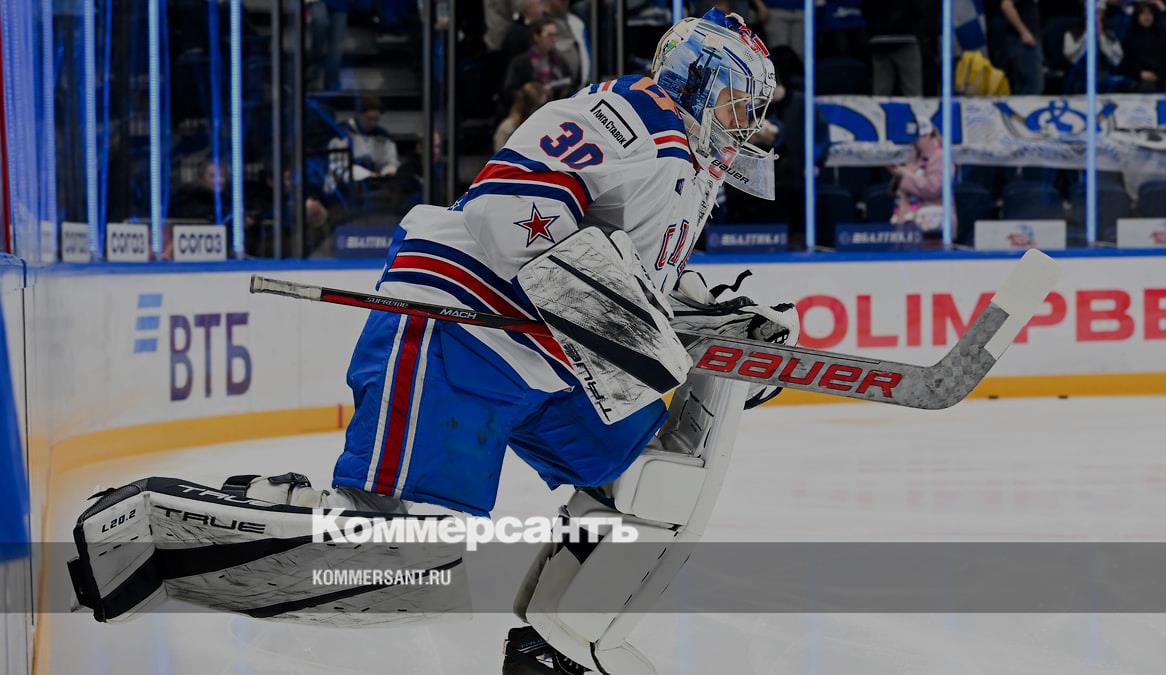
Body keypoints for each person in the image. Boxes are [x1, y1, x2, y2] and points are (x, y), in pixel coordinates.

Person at [70, 10, 794, 675]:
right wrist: (636, 327)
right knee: (397, 554)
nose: (747, 125)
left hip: (549, 363)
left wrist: (706, 317)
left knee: (651, 479)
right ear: (696, 81)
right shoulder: (630, 118)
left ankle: (558, 650)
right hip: (465, 327)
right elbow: (509, 206)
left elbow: (628, 273)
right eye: (739, 102)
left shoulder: (685, 167)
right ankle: (155, 535)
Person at [889, 121, 956, 239]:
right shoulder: (914, 157)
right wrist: (897, 174)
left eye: (917, 138)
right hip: (907, 223)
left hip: (934, 225)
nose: (913, 142)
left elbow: (933, 189)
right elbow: (898, 190)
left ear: (927, 136)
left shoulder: (941, 158)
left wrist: (905, 173)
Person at [326, 95, 402, 185]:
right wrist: (368, 175)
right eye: (369, 119)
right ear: (357, 115)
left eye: (376, 119)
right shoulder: (340, 133)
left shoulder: (384, 137)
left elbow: (391, 163)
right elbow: (338, 166)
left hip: (377, 184)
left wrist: (388, 171)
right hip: (345, 185)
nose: (373, 123)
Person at [503, 18, 574, 102]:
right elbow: (509, 92)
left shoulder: (558, 60)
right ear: (536, 36)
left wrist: (562, 91)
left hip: (553, 106)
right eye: (549, 35)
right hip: (530, 108)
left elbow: (571, 83)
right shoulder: (521, 62)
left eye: (555, 35)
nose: (554, 39)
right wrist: (534, 94)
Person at [862, 0, 923, 96]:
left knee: (881, 90)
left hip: (879, 38)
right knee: (913, 90)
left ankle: (879, 106)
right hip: (905, 37)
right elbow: (918, 11)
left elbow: (865, 11)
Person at [1121, 1, 1166, 92]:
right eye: (1143, 14)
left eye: (1150, 14)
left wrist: (1157, 74)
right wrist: (1140, 73)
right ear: (1137, 16)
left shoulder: (1160, 35)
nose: (1147, 17)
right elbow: (1126, 62)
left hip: (1159, 78)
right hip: (1136, 79)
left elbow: (1164, 59)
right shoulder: (1130, 37)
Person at [999, 0, 1044, 94]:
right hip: (1022, 42)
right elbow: (1006, 5)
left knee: (1021, 86)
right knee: (1034, 85)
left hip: (1026, 40)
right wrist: (1024, 32)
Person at [494, 81, 549, 151]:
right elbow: (499, 153)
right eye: (539, 107)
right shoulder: (508, 128)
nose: (541, 111)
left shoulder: (544, 123)